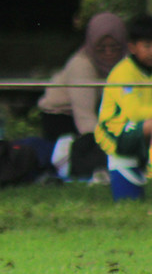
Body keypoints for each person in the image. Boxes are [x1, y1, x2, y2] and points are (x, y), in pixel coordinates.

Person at [38, 12, 126, 180]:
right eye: (101, 48)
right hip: (63, 119)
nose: (108, 53)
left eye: (114, 47)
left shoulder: (126, 61)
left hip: (99, 117)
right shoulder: (81, 65)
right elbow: (84, 117)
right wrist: (112, 145)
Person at [95, 14, 152, 201]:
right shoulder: (123, 73)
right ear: (132, 47)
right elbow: (134, 113)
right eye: (147, 46)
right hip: (117, 132)